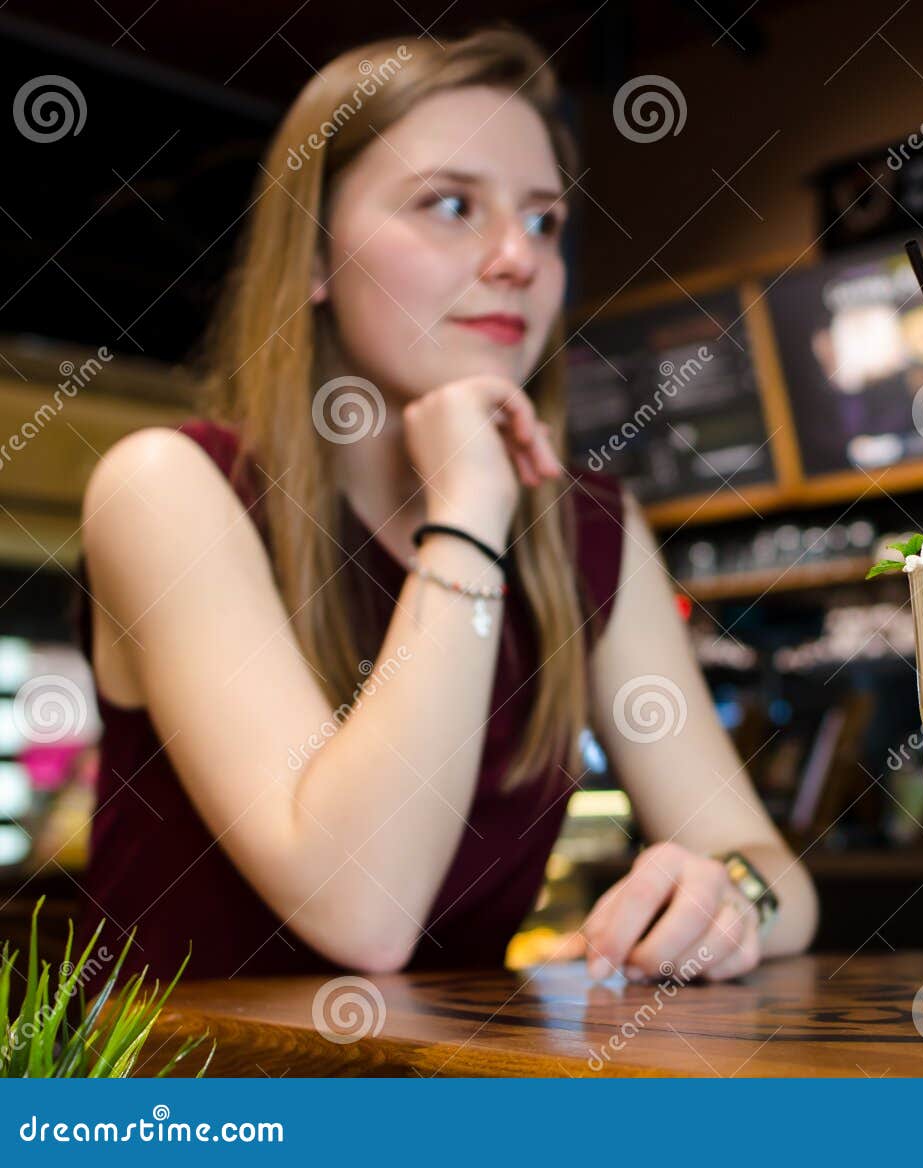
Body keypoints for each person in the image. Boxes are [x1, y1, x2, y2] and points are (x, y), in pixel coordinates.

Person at [76, 27, 816, 989]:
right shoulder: (167, 490)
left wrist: (728, 901)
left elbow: (774, 877)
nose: (517, 257)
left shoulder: (587, 525)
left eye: (545, 222)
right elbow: (362, 911)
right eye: (452, 205)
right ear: (314, 257)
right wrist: (466, 510)